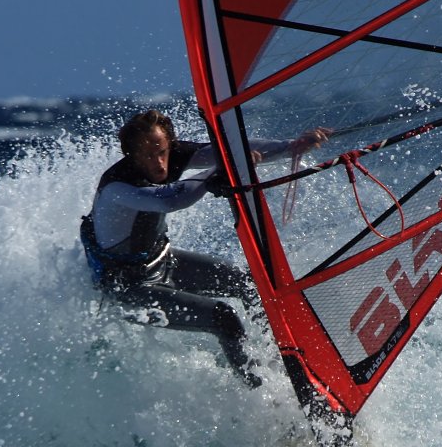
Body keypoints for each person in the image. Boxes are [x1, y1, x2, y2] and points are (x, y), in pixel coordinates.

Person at [81, 109, 328, 388]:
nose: (158, 164)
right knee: (224, 318)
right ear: (131, 155)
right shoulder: (117, 186)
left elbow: (231, 153)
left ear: (170, 145)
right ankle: (262, 393)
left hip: (163, 262)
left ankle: (283, 361)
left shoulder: (173, 155)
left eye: (161, 152)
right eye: (147, 156)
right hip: (129, 287)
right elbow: (169, 200)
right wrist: (218, 172)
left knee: (249, 284)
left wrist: (291, 146)